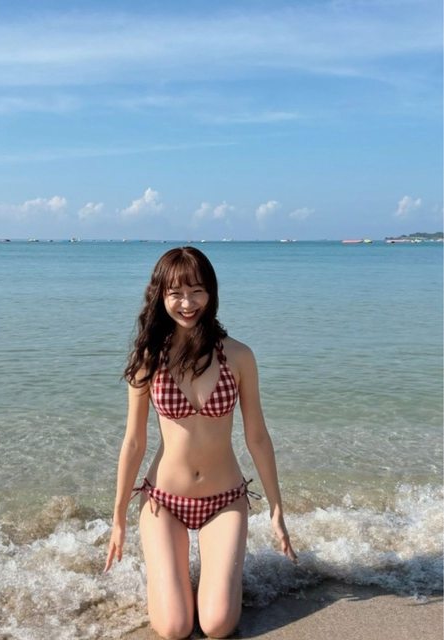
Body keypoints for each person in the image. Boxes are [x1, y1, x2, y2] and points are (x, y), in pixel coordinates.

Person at [104, 246, 296, 639]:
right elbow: (134, 442)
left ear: (211, 293)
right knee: (174, 627)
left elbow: (258, 437)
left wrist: (277, 508)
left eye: (197, 291)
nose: (187, 303)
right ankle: (174, 582)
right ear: (160, 296)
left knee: (217, 624)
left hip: (224, 501)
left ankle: (212, 583)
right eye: (176, 293)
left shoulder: (238, 357)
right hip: (163, 501)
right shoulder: (149, 359)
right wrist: (118, 516)